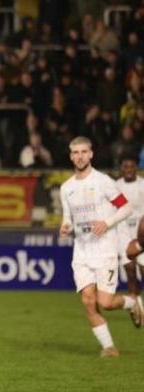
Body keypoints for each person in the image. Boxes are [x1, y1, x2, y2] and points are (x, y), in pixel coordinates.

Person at [60, 137, 142, 358]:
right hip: (82, 252)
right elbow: (68, 218)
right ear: (71, 156)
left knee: (105, 302)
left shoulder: (103, 182)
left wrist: (107, 223)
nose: (79, 156)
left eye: (84, 152)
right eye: (75, 152)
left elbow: (125, 208)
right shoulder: (66, 188)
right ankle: (109, 347)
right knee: (88, 301)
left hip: (104, 249)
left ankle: (132, 302)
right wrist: (65, 227)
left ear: (91, 154)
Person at [116, 155, 144, 305]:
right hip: (123, 233)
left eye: (131, 166)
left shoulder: (143, 185)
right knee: (130, 270)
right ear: (121, 169)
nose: (128, 170)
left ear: (136, 168)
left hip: (142, 233)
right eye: (125, 167)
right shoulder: (116, 186)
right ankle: (137, 306)